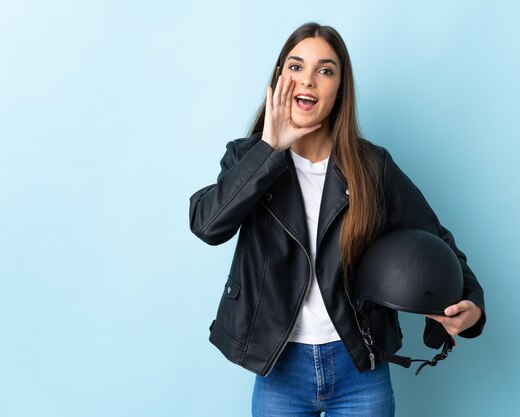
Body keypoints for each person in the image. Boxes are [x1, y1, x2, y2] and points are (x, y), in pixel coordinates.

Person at [189, 22, 485, 417]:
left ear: (340, 88)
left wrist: (472, 306)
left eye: (325, 70)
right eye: (296, 67)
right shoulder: (248, 158)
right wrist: (270, 150)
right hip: (279, 367)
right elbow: (208, 225)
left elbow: (436, 238)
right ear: (279, 79)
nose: (307, 81)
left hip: (359, 366)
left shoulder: (371, 166)